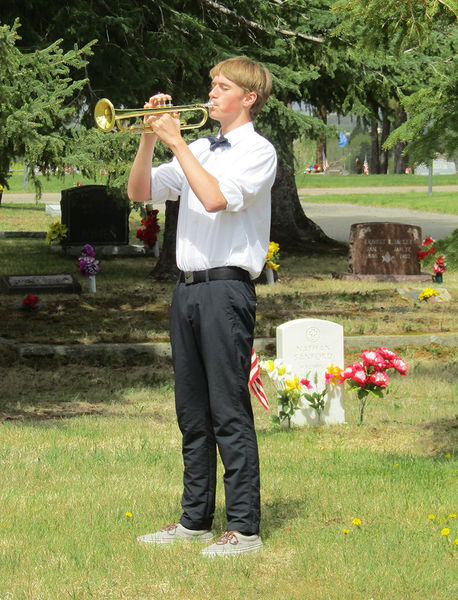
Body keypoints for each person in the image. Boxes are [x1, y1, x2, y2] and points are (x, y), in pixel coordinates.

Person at [127, 56, 277, 557]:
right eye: (210, 85)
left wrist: (176, 142)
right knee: (191, 411)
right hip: (187, 288)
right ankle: (194, 520)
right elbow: (140, 192)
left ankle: (244, 528)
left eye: (221, 87)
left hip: (226, 289)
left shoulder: (257, 151)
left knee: (227, 409)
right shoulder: (200, 149)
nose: (210, 94)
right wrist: (150, 136)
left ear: (248, 98)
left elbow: (213, 200)